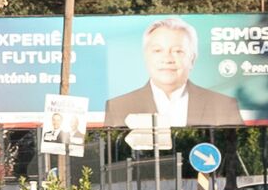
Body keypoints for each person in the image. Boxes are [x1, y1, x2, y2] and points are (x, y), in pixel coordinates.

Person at [100, 18, 243, 127]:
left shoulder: (223, 105)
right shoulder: (119, 107)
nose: (167, 59)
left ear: (192, 58)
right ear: (145, 56)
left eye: (177, 51)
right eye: (158, 50)